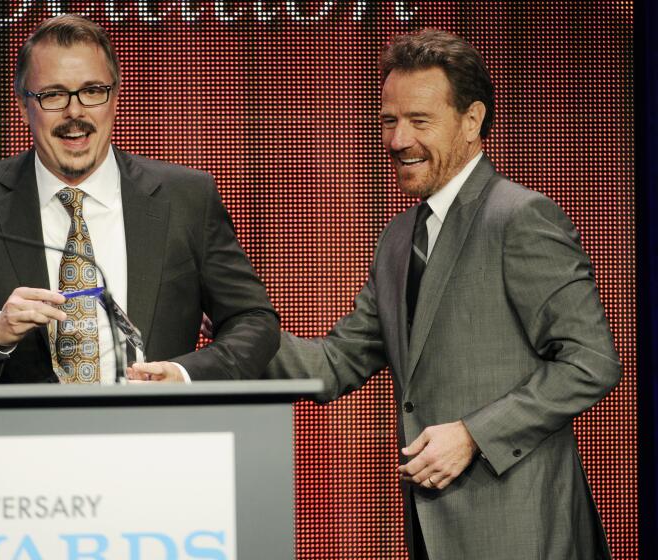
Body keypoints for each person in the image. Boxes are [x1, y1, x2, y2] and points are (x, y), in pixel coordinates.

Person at [263, 30, 619, 559]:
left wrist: (474, 434)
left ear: (472, 122)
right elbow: (337, 361)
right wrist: (240, 333)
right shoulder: (398, 239)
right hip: (435, 536)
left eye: (419, 121)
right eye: (389, 120)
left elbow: (590, 362)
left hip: (523, 530)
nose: (398, 139)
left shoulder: (519, 218)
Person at [0, 14, 279, 384]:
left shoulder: (186, 197)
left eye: (92, 91)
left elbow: (255, 321)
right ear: (24, 104)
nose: (75, 112)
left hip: (158, 440)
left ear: (115, 95)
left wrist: (184, 375)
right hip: (16, 447)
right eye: (54, 95)